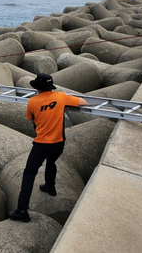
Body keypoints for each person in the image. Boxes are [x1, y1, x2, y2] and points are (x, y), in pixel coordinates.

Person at [9, 73, 87, 223]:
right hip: (58, 143)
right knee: (51, 162)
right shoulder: (61, 97)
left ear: (37, 88)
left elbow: (32, 120)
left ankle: (22, 210)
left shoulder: (32, 102)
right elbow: (83, 102)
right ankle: (50, 187)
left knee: (29, 173)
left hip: (41, 145)